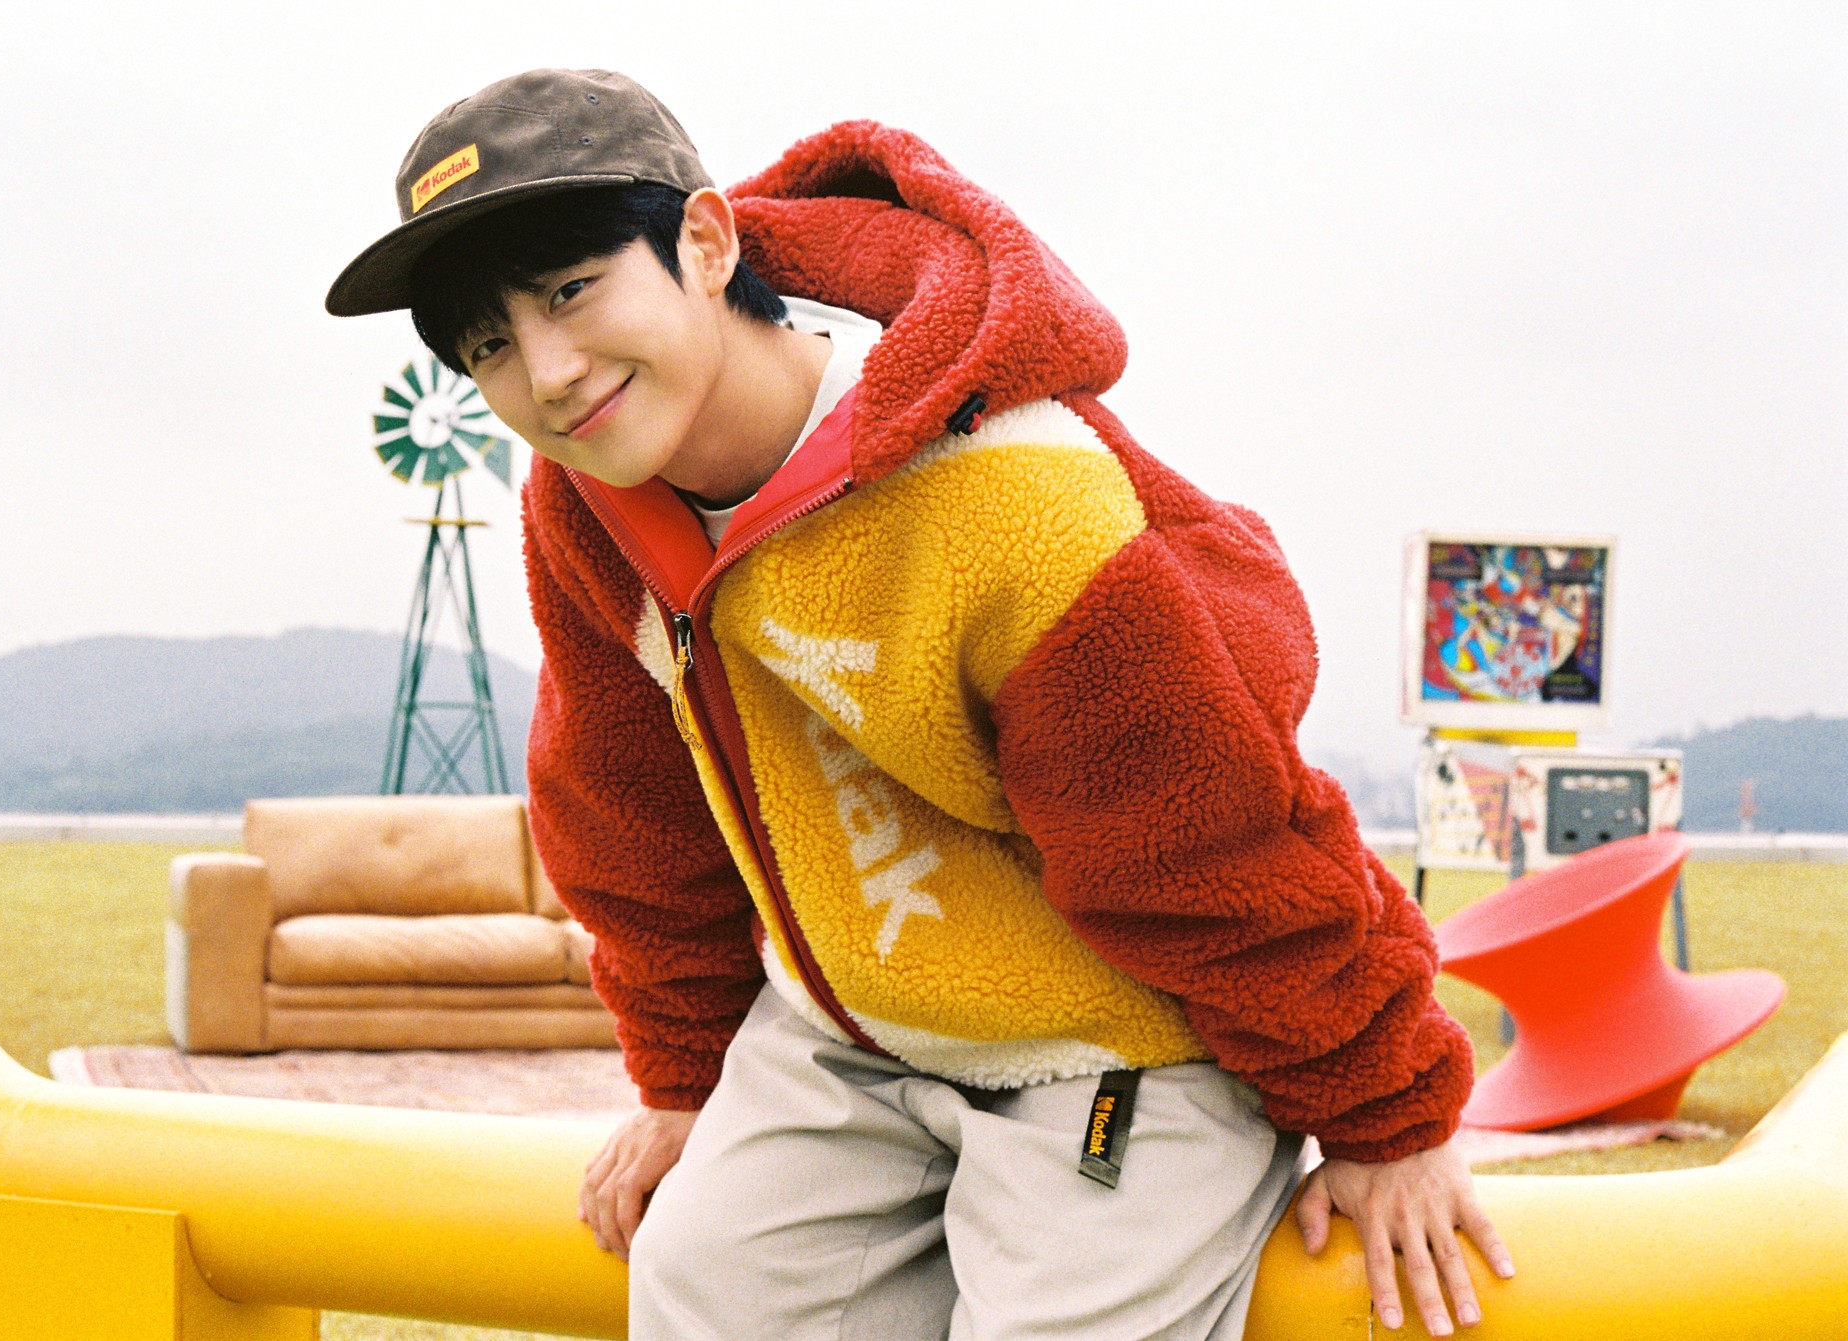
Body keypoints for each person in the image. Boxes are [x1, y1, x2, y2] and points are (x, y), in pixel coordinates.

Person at [327, 67, 1514, 1341]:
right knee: (696, 1277)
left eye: (570, 289)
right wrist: (680, 1077)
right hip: (850, 1034)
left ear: (705, 244)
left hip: (1123, 1036)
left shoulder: (1006, 490)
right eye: (490, 345)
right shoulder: (585, 509)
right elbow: (632, 817)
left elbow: (1199, 834)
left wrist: (1383, 1115)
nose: (549, 372)